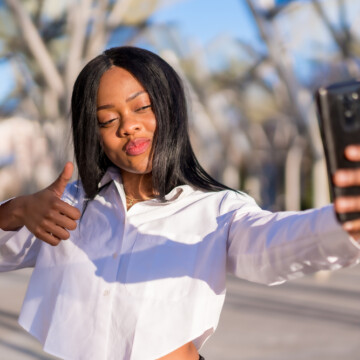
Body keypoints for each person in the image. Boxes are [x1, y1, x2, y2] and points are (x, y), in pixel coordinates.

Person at [0, 46, 360, 360]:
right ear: (94, 134)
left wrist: (344, 220)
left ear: (171, 109)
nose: (129, 126)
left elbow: (272, 245)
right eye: (108, 120)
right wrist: (14, 211)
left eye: (142, 107)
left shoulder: (217, 209)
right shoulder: (67, 206)